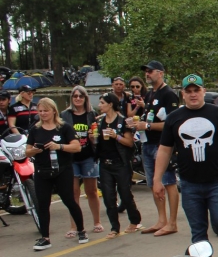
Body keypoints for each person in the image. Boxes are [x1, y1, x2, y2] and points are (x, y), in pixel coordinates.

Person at [154, 74, 218, 257]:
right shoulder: (174, 118)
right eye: (188, 91)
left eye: (196, 90)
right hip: (189, 184)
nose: (193, 95)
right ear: (183, 94)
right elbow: (164, 150)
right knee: (198, 232)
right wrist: (157, 179)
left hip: (216, 182)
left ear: (203, 91)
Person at [26, 98, 86, 249]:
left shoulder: (64, 128)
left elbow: (76, 147)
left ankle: (81, 230)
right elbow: (26, 151)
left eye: (46, 111)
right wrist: (33, 151)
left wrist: (58, 146)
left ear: (53, 111)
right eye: (40, 111)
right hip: (42, 170)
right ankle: (45, 237)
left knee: (69, 200)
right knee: (43, 204)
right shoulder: (35, 129)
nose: (43, 114)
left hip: (62, 169)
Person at [137, 60, 179, 236]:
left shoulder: (169, 95)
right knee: (154, 183)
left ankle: (172, 222)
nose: (147, 74)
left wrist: (146, 126)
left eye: (151, 71)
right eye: (146, 71)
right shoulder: (149, 95)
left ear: (161, 73)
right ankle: (161, 219)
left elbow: (171, 124)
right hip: (147, 144)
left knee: (168, 182)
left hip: (162, 145)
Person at [94, 92, 141, 238]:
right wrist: (93, 138)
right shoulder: (100, 121)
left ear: (110, 104)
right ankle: (114, 227)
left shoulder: (123, 121)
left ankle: (135, 220)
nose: (100, 105)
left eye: (102, 102)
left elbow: (129, 143)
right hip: (105, 163)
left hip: (120, 163)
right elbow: (97, 142)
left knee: (125, 194)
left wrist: (116, 136)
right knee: (108, 197)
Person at [61, 86, 102, 236]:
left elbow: (97, 136)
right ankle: (74, 226)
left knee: (91, 191)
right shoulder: (64, 115)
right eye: (74, 96)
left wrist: (93, 138)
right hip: (70, 158)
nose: (77, 98)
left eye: (81, 96)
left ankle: (97, 222)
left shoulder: (92, 114)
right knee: (73, 193)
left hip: (88, 156)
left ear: (85, 98)